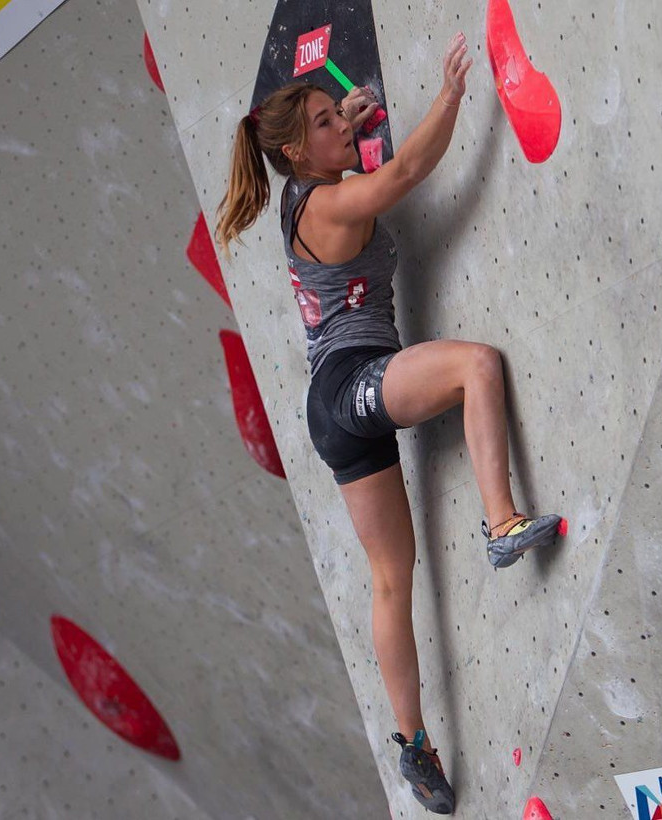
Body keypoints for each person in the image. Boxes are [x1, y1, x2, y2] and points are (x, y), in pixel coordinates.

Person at [215, 32, 566, 815]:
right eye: (327, 123)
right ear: (302, 152)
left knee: (388, 580)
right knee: (476, 365)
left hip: (335, 404)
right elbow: (405, 171)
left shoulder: (303, 190)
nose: (344, 123)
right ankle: (502, 523)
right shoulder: (332, 200)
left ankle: (414, 746)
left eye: (338, 114)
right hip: (351, 386)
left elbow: (336, 139)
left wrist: (342, 113)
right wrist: (448, 97)